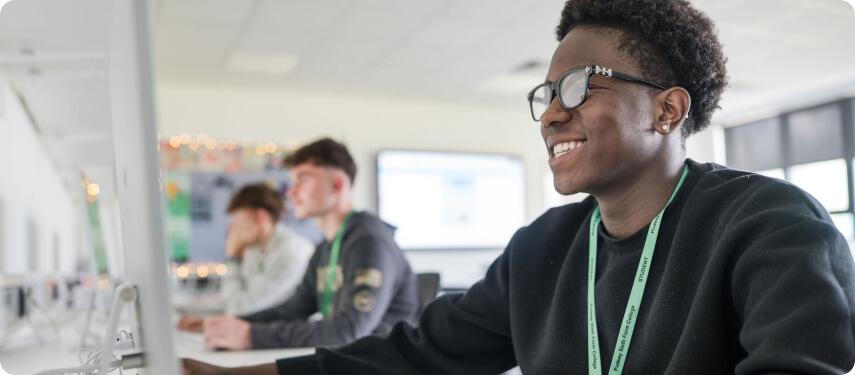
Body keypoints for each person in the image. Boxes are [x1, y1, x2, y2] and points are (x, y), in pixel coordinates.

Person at [182, 0, 855, 373]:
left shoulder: (771, 223)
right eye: (544, 94)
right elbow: (417, 355)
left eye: (576, 87)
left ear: (666, 110)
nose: (551, 114)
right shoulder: (544, 246)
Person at [188, 138, 419, 351]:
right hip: (349, 361)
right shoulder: (326, 248)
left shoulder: (369, 241)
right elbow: (293, 310)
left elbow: (348, 331)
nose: (292, 191)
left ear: (337, 184)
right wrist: (233, 324)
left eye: (303, 179)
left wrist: (252, 336)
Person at [177, 183, 315, 326]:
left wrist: (234, 259)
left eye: (237, 218)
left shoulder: (291, 252)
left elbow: (241, 309)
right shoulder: (255, 250)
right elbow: (229, 299)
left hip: (284, 341)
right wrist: (182, 308)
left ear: (259, 217)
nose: (232, 226)